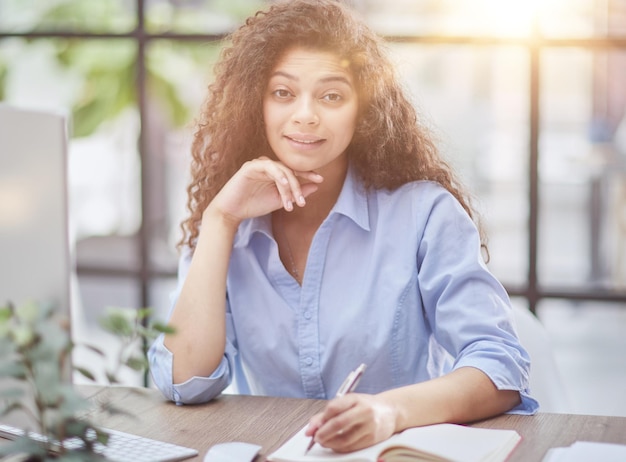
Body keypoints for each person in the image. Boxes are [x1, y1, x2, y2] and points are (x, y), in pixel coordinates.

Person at [148, 0, 538, 453]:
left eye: (331, 95)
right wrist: (219, 219)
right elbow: (186, 383)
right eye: (283, 93)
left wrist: (388, 411)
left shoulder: (423, 214)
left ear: (363, 109)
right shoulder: (228, 220)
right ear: (256, 105)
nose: (306, 115)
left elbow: (500, 366)